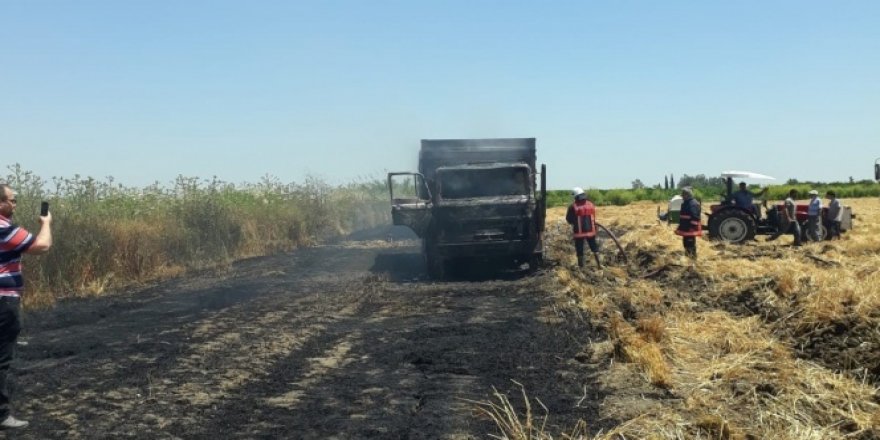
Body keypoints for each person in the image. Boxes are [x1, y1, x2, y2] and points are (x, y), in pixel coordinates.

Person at [0, 184, 52, 430]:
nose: (15, 204)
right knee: (1, 359)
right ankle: (1, 415)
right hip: (3, 301)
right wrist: (45, 223)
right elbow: (42, 246)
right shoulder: (4, 229)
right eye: (12, 200)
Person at [566, 187, 601, 268]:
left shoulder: (573, 206)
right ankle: (599, 265)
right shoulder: (591, 204)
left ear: (575, 196)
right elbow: (594, 217)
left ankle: (581, 268)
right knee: (594, 248)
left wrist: (574, 222)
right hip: (591, 231)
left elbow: (568, 219)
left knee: (579, 250)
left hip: (579, 233)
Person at [675, 187, 701, 259]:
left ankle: (692, 260)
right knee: (686, 244)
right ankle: (688, 259)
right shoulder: (686, 203)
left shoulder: (693, 204)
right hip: (686, 228)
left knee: (690, 245)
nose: (682, 197)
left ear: (687, 195)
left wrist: (690, 227)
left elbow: (695, 217)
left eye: (683, 195)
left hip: (690, 229)